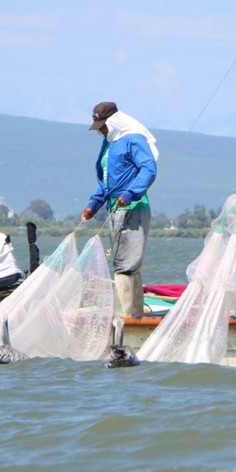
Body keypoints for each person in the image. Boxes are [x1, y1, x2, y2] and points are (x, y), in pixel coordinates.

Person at [80, 102, 158, 318]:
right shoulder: (110, 143)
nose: (101, 130)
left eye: (103, 125)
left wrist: (131, 193)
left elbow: (149, 168)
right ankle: (129, 314)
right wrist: (93, 205)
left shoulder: (133, 139)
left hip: (132, 206)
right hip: (114, 208)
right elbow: (107, 180)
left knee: (126, 262)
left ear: (113, 122)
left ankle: (129, 317)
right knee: (120, 259)